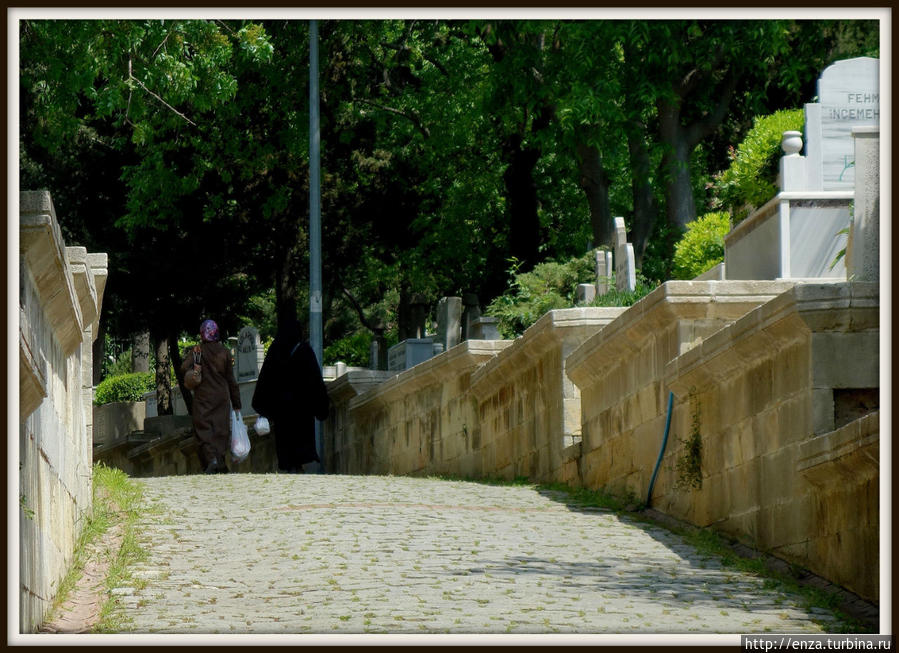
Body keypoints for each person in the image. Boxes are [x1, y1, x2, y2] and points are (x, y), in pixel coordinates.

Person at [252, 318, 330, 473]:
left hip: (281, 408)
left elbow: (266, 379)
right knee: (301, 438)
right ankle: (299, 465)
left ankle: (290, 466)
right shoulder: (304, 350)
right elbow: (315, 379)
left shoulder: (275, 350)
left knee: (284, 438)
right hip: (302, 408)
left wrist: (264, 407)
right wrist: (321, 405)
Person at [180, 319, 241, 474]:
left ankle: (211, 460)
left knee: (204, 429)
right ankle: (220, 462)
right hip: (222, 398)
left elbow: (183, 367)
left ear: (202, 333)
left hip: (203, 398)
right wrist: (236, 403)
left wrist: (195, 369)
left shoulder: (198, 351)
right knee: (221, 430)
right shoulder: (224, 352)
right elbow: (231, 380)